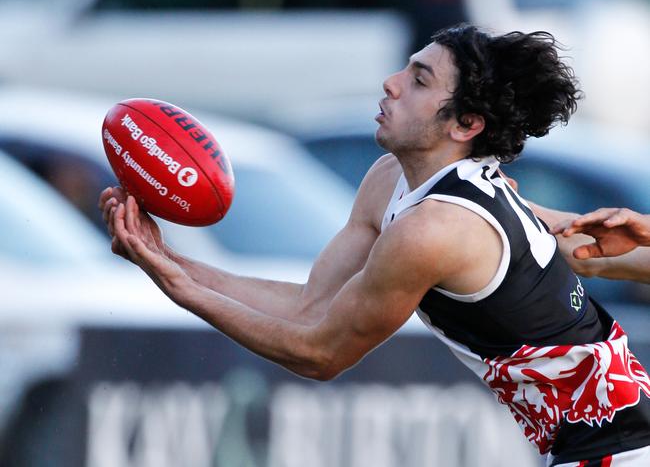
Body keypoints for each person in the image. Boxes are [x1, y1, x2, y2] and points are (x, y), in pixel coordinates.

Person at [99, 25, 650, 466]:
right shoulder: (394, 181)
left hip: (617, 451)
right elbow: (310, 307)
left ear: (466, 123)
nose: (390, 82)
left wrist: (177, 286)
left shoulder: (434, 229)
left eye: (418, 79)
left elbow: (319, 354)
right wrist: (169, 259)